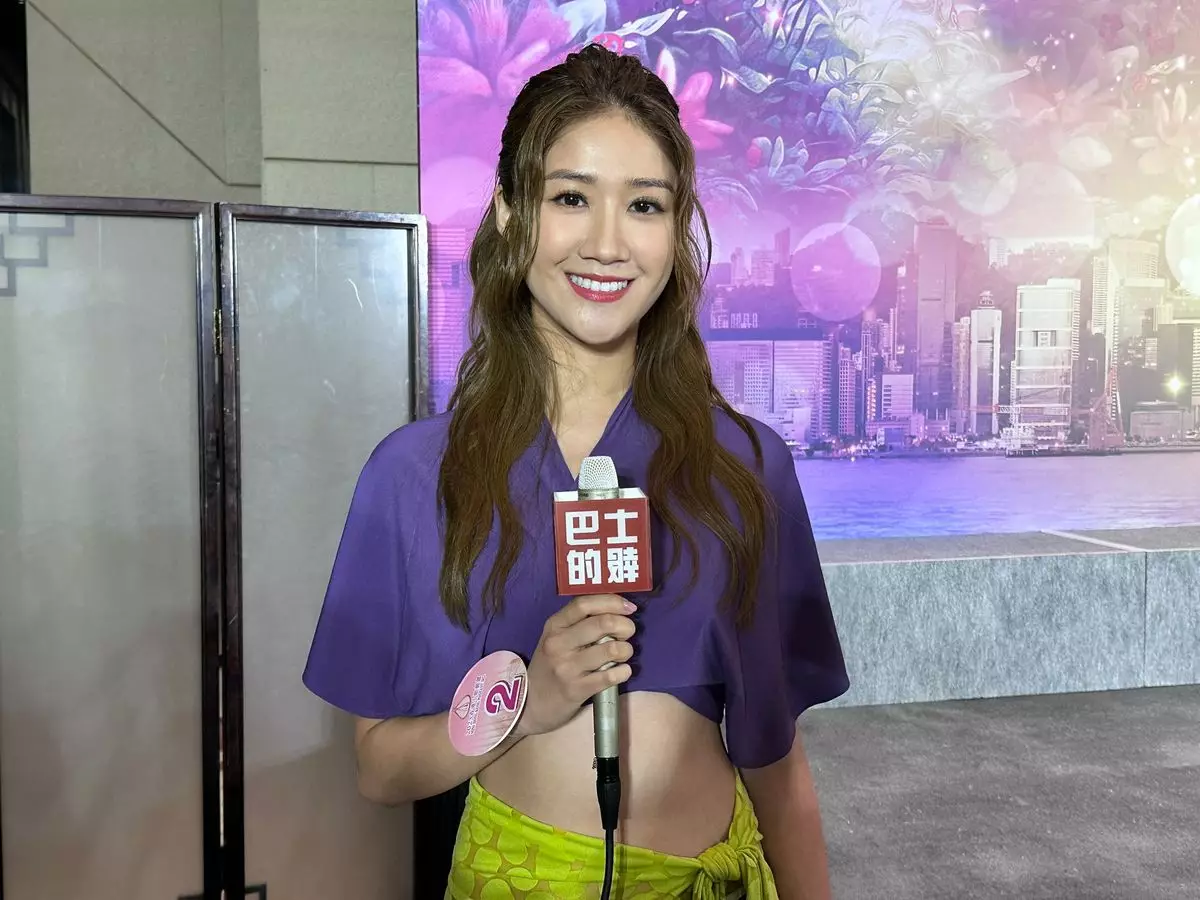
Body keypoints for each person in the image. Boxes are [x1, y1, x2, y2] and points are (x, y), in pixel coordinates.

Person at [303, 43, 850, 899]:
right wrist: (529, 699)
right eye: (570, 198)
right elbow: (380, 769)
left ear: (676, 231)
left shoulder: (747, 467)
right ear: (511, 212)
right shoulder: (413, 476)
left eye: (644, 205)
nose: (606, 243)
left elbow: (779, 768)